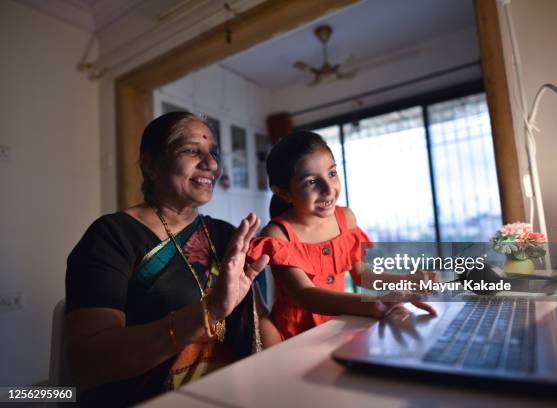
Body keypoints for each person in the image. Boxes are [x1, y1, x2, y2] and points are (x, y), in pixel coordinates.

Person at [64, 112, 280, 407]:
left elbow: (260, 323)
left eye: (213, 153)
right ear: (151, 166)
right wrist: (209, 311)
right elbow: (87, 363)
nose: (212, 165)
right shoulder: (112, 236)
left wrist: (286, 381)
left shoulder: (226, 235)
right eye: (192, 151)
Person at [247, 130, 436, 340]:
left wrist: (406, 282)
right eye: (311, 182)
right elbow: (305, 295)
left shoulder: (345, 218)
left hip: (341, 327)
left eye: (332, 173)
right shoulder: (278, 235)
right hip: (296, 338)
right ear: (283, 192)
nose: (329, 189)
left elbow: (362, 274)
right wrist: (375, 303)